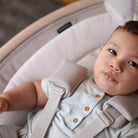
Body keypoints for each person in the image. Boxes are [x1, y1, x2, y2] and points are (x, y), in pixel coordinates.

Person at [0, 20, 138, 138]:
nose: (116, 65)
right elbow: (35, 93)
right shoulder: (73, 81)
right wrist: (7, 100)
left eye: (133, 63)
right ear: (101, 51)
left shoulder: (127, 121)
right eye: (113, 52)